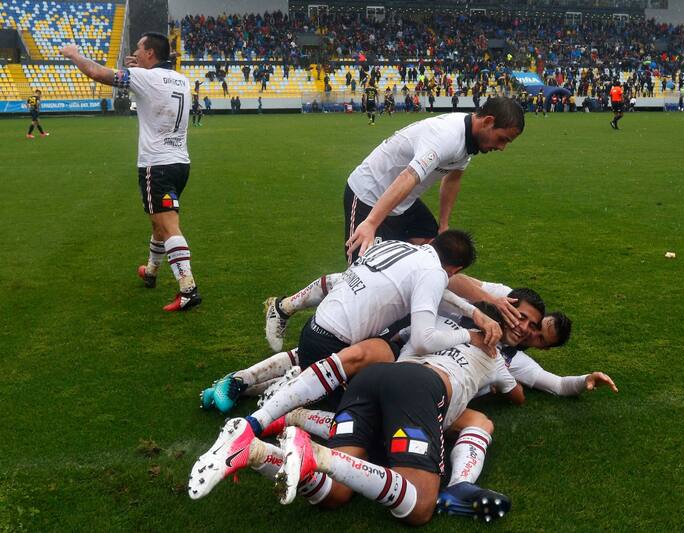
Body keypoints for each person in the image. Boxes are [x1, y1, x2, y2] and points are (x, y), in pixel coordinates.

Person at [189, 232, 504, 496]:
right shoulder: (434, 274)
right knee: (372, 430)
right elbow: (423, 339)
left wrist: (475, 312)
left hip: (318, 330)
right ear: (455, 268)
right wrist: (468, 334)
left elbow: (437, 289)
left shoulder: (402, 247)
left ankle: (259, 400)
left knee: (378, 359)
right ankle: (290, 411)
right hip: (335, 346)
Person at [61, 33, 201, 311]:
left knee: (167, 225)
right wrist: (136, 70)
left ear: (150, 53)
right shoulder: (181, 79)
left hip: (156, 164)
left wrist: (75, 54)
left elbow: (97, 73)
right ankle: (150, 271)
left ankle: (188, 289)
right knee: (158, 222)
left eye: (139, 47)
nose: (135, 50)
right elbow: (152, 86)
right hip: (179, 162)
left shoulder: (145, 78)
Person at [344, 96, 524, 264]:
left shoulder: (470, 140)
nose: (502, 147)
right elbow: (409, 176)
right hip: (369, 195)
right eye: (502, 139)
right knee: (364, 271)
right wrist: (371, 222)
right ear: (488, 122)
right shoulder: (446, 136)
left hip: (404, 200)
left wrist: (444, 226)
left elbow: (452, 180)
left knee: (439, 255)